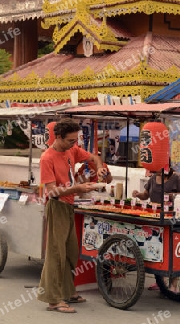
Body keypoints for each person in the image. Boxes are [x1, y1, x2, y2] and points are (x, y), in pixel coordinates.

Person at [37, 118, 107, 313]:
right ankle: (53, 299)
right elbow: (51, 191)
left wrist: (100, 167)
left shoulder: (71, 150)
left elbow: (94, 157)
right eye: (70, 140)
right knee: (56, 254)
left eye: (75, 141)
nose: (73, 144)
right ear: (58, 137)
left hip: (69, 206)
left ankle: (68, 291)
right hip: (57, 206)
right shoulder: (47, 158)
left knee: (71, 251)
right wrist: (77, 188)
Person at [132, 166, 180, 290]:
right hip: (155, 217)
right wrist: (137, 194)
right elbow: (145, 195)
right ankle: (160, 281)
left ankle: (173, 285)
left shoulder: (176, 177)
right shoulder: (152, 178)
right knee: (157, 249)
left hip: (171, 218)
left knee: (170, 249)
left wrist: (173, 196)